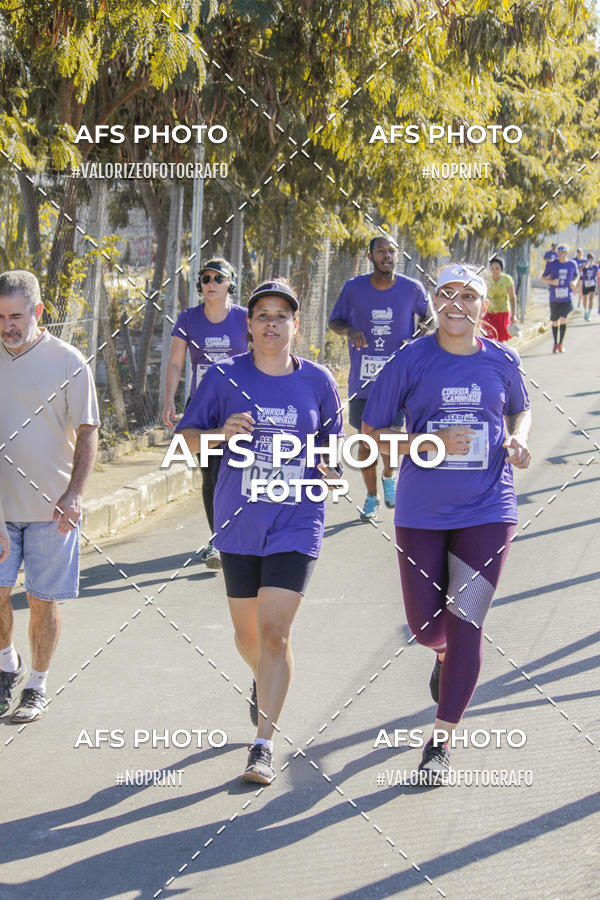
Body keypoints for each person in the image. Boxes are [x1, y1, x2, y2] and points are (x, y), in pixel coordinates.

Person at [362, 264, 531, 783]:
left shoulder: (503, 359)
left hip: (488, 508)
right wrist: (426, 444)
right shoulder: (410, 360)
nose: (457, 304)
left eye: (469, 296)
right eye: (446, 294)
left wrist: (519, 438)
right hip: (422, 510)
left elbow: (519, 411)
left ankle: (440, 741)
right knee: (425, 627)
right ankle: (439, 654)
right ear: (434, 301)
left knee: (467, 624)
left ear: (485, 305)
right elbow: (372, 433)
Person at [176, 280, 343, 785]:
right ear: (248, 325)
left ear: (296, 324)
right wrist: (218, 434)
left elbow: (334, 445)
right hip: (239, 521)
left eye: (282, 315)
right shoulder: (225, 377)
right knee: (247, 636)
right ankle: (261, 678)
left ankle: (263, 745)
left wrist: (329, 465)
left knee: (275, 632)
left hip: (298, 517)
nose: (272, 323)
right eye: (263, 315)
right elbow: (186, 440)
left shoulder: (318, 381)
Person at [0, 270, 99, 722]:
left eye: (16, 315)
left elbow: (87, 430)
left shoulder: (68, 361)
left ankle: (37, 684)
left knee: (41, 599)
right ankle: (7, 666)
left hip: (51, 509)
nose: (7, 325)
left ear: (38, 312)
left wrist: (75, 494)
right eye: (0, 316)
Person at [328, 236, 433, 520]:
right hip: (363, 380)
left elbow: (430, 321)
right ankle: (371, 497)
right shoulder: (353, 288)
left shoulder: (412, 289)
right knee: (365, 441)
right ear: (370, 256)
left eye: (391, 251)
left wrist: (414, 342)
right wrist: (349, 331)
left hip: (398, 381)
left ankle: (389, 476)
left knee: (390, 439)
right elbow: (334, 321)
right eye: (381, 251)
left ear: (398, 255)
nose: (386, 256)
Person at [161, 258, 247, 569]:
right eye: (205, 278)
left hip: (239, 411)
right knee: (211, 476)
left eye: (218, 278)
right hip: (204, 412)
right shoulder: (188, 318)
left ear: (230, 284)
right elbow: (174, 363)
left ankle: (243, 534)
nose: (210, 283)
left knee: (237, 475)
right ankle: (218, 541)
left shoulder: (246, 319)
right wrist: (170, 400)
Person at [542, 244, 579, 353]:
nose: (561, 255)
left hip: (566, 297)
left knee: (563, 318)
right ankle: (555, 343)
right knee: (554, 321)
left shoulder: (572, 264)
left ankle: (561, 344)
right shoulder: (552, 264)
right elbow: (543, 277)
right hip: (554, 297)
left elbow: (577, 275)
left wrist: (574, 282)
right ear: (557, 253)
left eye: (563, 253)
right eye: (559, 252)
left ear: (567, 253)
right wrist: (551, 282)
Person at [484, 256, 518, 342]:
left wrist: (514, 315)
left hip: (502, 313)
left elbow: (512, 298)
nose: (494, 271)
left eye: (497, 268)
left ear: (501, 269)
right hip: (489, 314)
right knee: (489, 338)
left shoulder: (507, 280)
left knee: (500, 339)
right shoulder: (487, 280)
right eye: (492, 268)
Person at [580, 253, 598, 322]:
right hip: (585, 284)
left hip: (592, 284)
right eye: (589, 258)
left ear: (593, 259)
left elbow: (598, 275)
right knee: (585, 299)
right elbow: (579, 271)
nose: (590, 260)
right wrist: (584, 265)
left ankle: (589, 314)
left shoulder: (595, 267)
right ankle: (585, 312)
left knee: (591, 298)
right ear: (587, 259)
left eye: (591, 258)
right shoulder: (584, 266)